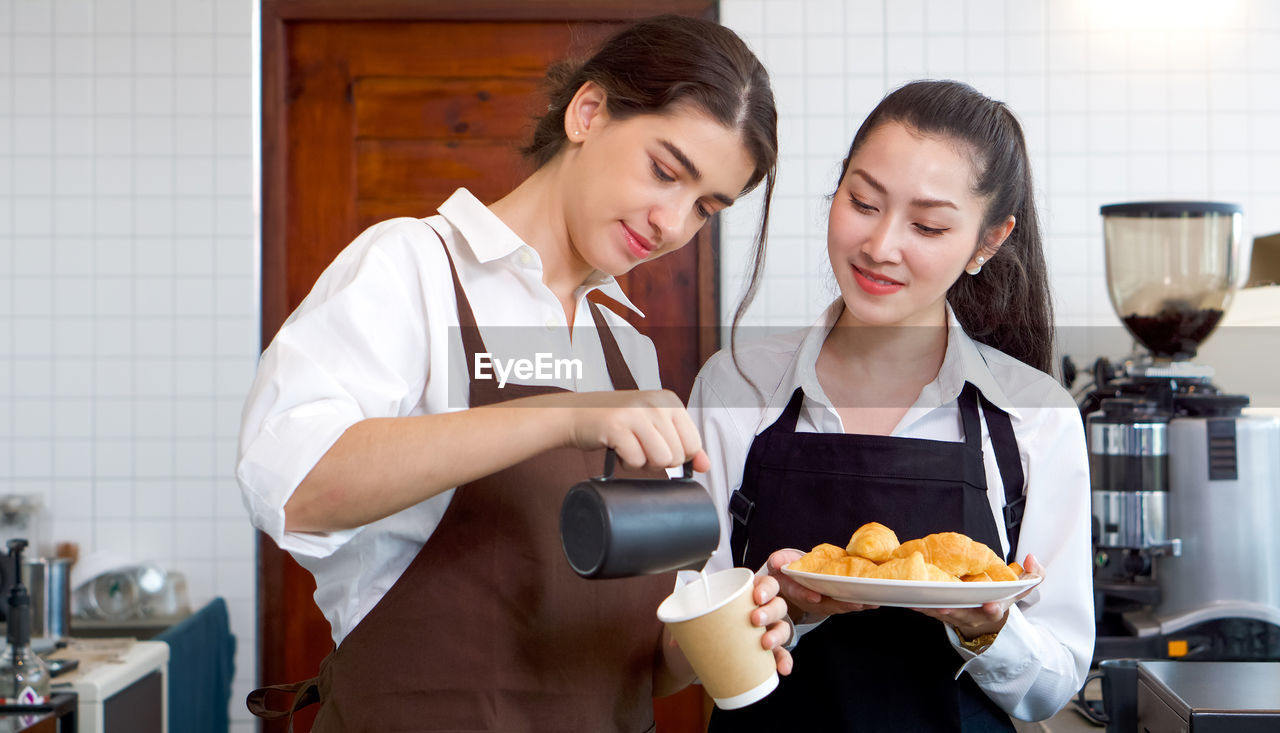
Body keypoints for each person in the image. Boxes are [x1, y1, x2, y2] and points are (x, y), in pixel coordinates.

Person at [237, 15, 792, 731]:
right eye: (665, 170)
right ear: (588, 112)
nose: (670, 223)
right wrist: (560, 414)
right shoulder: (415, 268)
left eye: (704, 208)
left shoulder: (627, 346)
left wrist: (720, 631)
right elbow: (295, 488)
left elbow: (634, 661)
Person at [689, 80, 1094, 730]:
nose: (880, 245)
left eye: (927, 225)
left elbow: (1052, 683)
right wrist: (785, 607)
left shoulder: (1033, 416)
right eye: (863, 201)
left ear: (988, 242)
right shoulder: (735, 387)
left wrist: (990, 628)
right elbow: (689, 637)